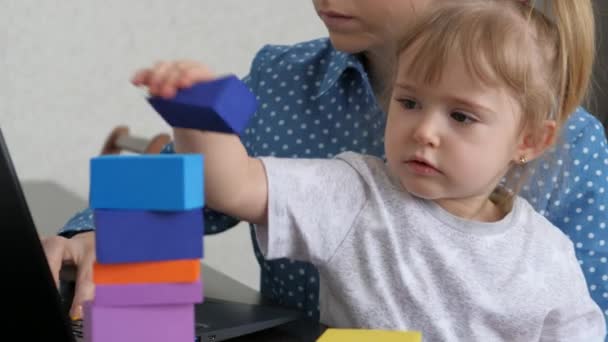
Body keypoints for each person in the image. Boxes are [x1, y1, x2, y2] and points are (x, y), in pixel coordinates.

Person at [43, 0, 608, 330]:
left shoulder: (573, 148)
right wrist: (100, 231)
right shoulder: (285, 76)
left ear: (529, 141)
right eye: (408, 103)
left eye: (462, 117)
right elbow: (195, 184)